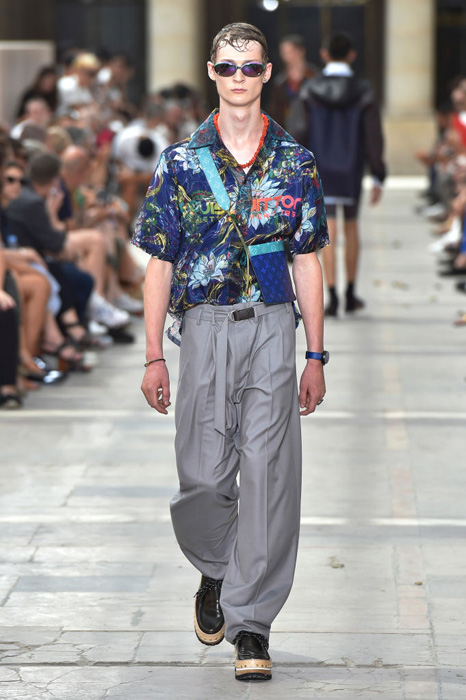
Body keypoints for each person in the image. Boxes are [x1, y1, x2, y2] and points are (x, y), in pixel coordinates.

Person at [132, 22, 329, 682]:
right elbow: (159, 264)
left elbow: (307, 261)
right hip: (204, 330)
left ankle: (252, 624)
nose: (239, 77)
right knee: (203, 478)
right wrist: (153, 355)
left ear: (268, 73)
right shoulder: (180, 164)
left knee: (270, 478)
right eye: (227, 67)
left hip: (272, 329)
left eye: (250, 67)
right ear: (212, 72)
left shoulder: (295, 162)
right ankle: (216, 569)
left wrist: (316, 355)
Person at [291, 33, 386, 317]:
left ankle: (331, 297)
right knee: (352, 227)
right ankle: (350, 293)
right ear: (352, 54)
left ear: (324, 54)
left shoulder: (310, 89)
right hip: (352, 167)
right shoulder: (363, 90)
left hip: (321, 168)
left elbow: (299, 130)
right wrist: (378, 173)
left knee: (328, 231)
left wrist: (296, 170)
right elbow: (372, 135)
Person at [267, 34, 315, 129]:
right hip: (287, 131)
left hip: (313, 129)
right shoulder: (280, 82)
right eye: (284, 52)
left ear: (301, 51)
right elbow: (275, 112)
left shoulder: (315, 77)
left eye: (290, 52)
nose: (286, 56)